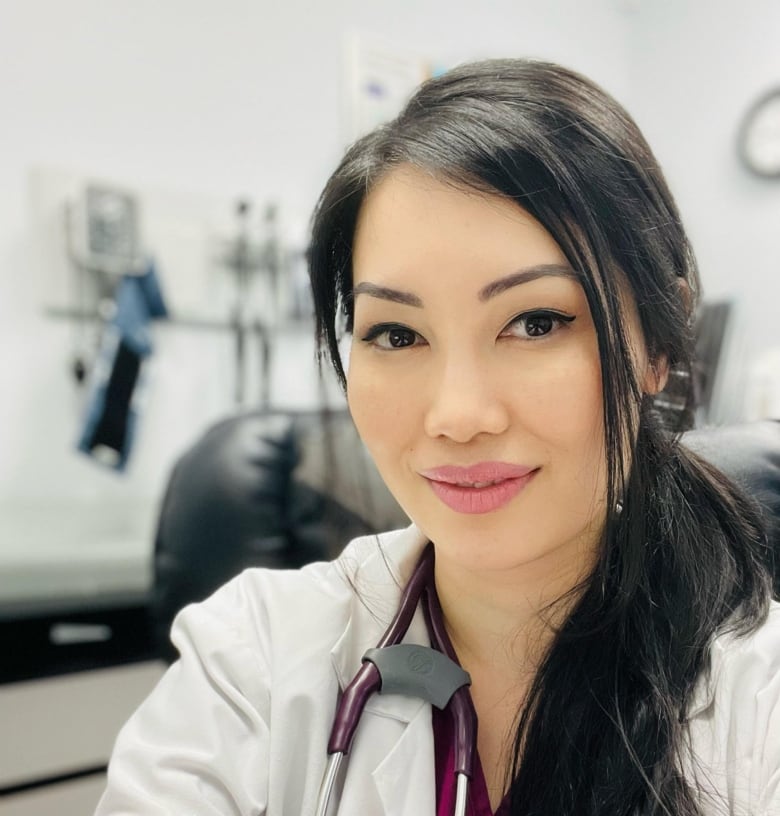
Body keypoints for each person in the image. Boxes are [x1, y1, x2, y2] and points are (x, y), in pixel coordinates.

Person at [95, 59, 779, 816]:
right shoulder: (250, 661)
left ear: (657, 343)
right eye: (395, 333)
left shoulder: (759, 705)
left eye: (536, 322)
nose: (456, 415)